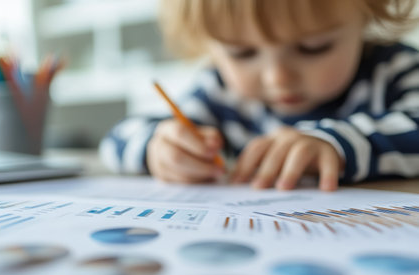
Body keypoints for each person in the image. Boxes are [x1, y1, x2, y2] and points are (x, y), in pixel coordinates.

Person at [100, 0, 419, 191]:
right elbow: (115, 140)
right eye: (242, 53)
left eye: (313, 47)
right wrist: (160, 145)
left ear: (365, 16)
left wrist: (336, 144)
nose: (277, 78)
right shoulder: (220, 92)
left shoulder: (395, 70)